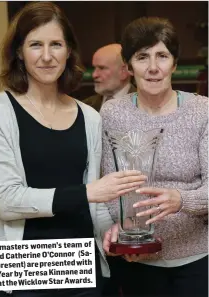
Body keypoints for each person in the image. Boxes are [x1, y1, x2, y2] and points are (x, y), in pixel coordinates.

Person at [0, 2, 147, 297]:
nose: (46, 56)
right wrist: (88, 192)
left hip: (83, 267)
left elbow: (97, 204)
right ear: (18, 51)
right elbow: (6, 201)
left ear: (68, 51)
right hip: (17, 270)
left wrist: (115, 231)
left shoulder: (90, 117)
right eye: (35, 45)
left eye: (56, 44)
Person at [101, 17, 208, 297]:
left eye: (162, 56)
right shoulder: (113, 113)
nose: (152, 68)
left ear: (174, 63)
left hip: (199, 259)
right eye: (142, 57)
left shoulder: (203, 111)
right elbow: (109, 186)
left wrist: (181, 199)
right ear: (128, 66)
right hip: (138, 260)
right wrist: (125, 231)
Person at [83, 44, 135, 112]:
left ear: (124, 71)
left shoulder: (146, 105)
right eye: (94, 68)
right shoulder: (84, 107)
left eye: (102, 68)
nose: (94, 75)